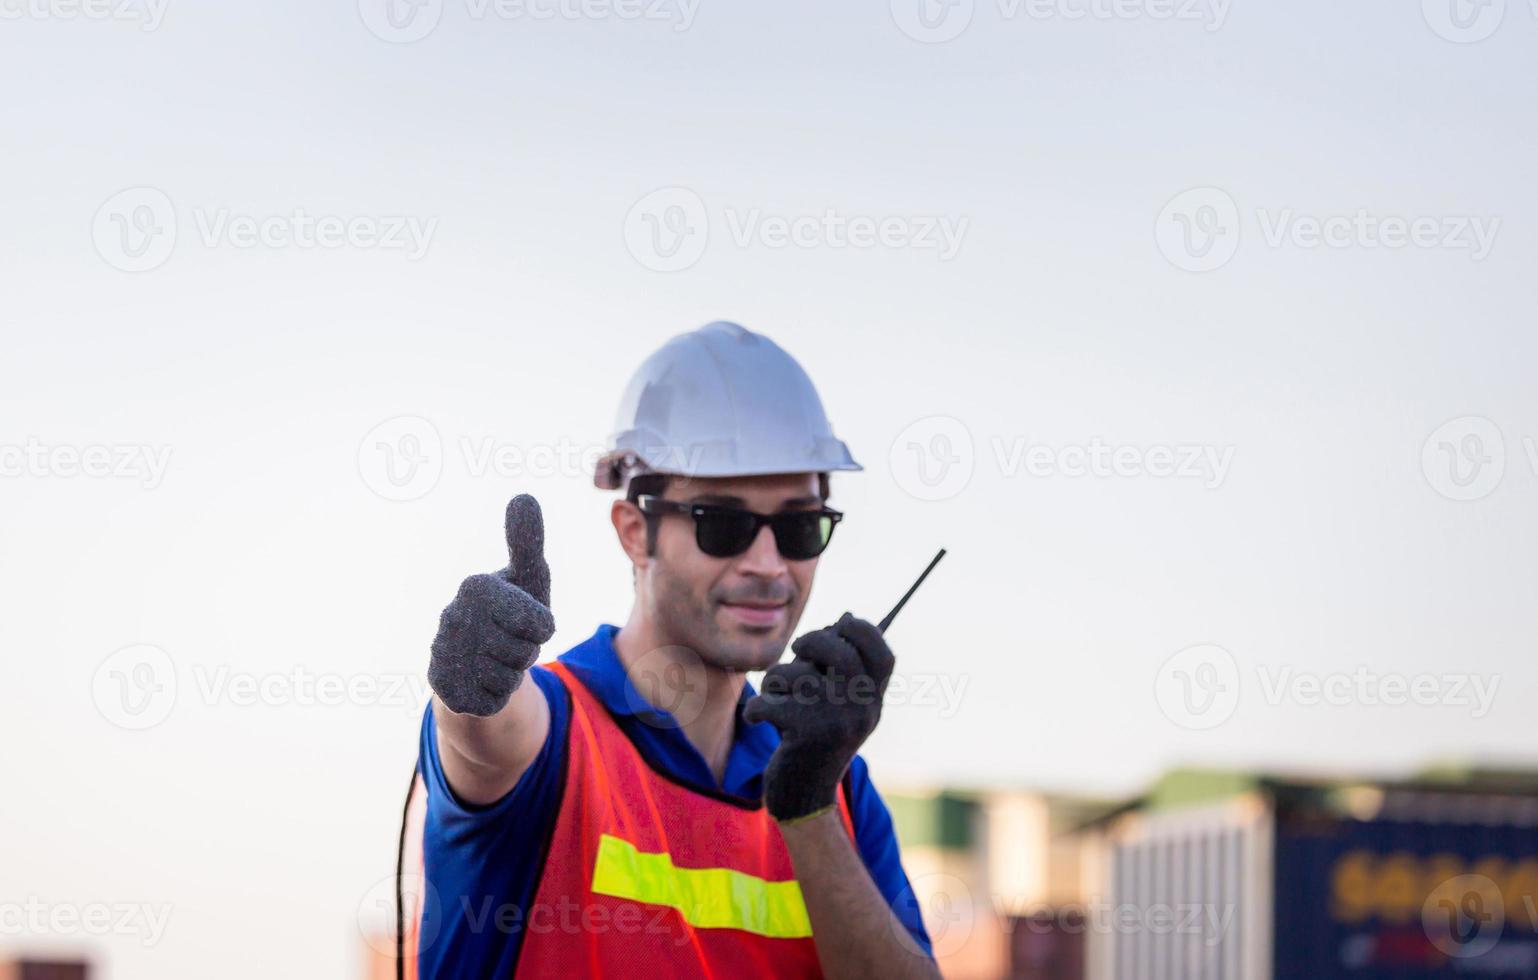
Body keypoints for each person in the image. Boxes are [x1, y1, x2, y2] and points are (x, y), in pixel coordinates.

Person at [403, 322, 940, 978]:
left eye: (800, 526)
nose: (769, 565)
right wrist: (467, 682)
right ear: (635, 532)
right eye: (726, 523)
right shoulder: (557, 730)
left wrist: (808, 808)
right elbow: (483, 736)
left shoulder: (837, 790)